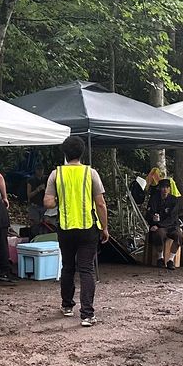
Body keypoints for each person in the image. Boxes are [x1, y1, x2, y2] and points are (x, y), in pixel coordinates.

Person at [43, 136, 110, 326]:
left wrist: (59, 200)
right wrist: (104, 227)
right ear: (82, 153)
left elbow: (48, 202)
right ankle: (87, 314)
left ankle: (67, 306)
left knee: (67, 267)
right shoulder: (91, 173)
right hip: (87, 228)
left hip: (65, 228)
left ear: (65, 153)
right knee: (86, 269)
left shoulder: (56, 174)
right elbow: (100, 204)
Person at [145, 177, 183, 269]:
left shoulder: (174, 200)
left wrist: (159, 225)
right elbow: (148, 213)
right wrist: (153, 220)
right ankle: (160, 258)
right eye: (163, 187)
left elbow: (172, 217)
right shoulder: (154, 199)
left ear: (169, 189)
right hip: (159, 226)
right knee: (159, 234)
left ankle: (171, 260)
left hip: (171, 225)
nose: (165, 190)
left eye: (167, 187)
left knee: (179, 236)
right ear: (160, 188)